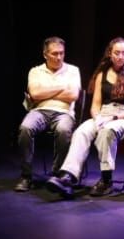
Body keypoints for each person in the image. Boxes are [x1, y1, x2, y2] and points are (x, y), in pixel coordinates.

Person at [47, 37, 124, 198]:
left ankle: (106, 181)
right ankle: (69, 176)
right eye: (116, 53)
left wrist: (114, 118)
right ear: (110, 53)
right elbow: (96, 105)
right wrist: (98, 118)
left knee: (108, 131)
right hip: (103, 114)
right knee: (82, 131)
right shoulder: (101, 74)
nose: (120, 56)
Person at [15, 37, 80, 191]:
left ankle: (57, 175)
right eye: (54, 54)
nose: (59, 57)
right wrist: (61, 87)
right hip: (39, 111)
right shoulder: (35, 71)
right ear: (45, 54)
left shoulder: (73, 70)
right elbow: (35, 94)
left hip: (64, 112)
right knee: (25, 128)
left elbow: (73, 95)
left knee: (63, 130)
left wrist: (46, 91)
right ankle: (26, 176)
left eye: (61, 53)